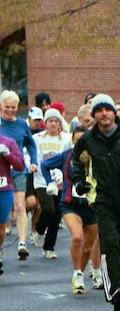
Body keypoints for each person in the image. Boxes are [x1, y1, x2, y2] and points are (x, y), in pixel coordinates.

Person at [71, 94, 120, 311]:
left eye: (107, 109)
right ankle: (117, 288)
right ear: (94, 115)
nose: (104, 114)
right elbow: (76, 161)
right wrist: (79, 182)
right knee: (110, 241)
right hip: (102, 198)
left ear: (114, 112)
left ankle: (117, 279)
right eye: (99, 110)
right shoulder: (88, 138)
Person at [41, 130, 96, 294]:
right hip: (70, 204)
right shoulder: (67, 155)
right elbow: (45, 165)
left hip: (92, 205)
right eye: (78, 140)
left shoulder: (98, 155)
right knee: (77, 237)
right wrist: (50, 182)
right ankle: (77, 273)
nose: (81, 143)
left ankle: (81, 271)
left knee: (87, 248)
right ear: (72, 141)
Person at [1, 91, 38, 262]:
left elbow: (31, 144)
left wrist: (34, 161)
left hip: (18, 169)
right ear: (1, 106)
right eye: (7, 107)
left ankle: (22, 243)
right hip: (1, 172)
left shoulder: (23, 125)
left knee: (20, 206)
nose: (10, 110)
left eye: (13, 107)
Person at [31, 109, 71, 259]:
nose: (53, 124)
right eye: (50, 121)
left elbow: (67, 159)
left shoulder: (66, 139)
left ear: (60, 123)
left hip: (60, 180)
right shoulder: (37, 138)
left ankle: (49, 248)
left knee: (57, 215)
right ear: (45, 123)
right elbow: (29, 153)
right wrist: (32, 165)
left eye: (56, 121)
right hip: (41, 180)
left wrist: (63, 177)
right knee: (48, 210)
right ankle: (39, 229)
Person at [0, 131, 25, 275]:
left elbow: (20, 166)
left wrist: (8, 154)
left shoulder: (8, 142)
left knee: (1, 229)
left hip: (3, 189)